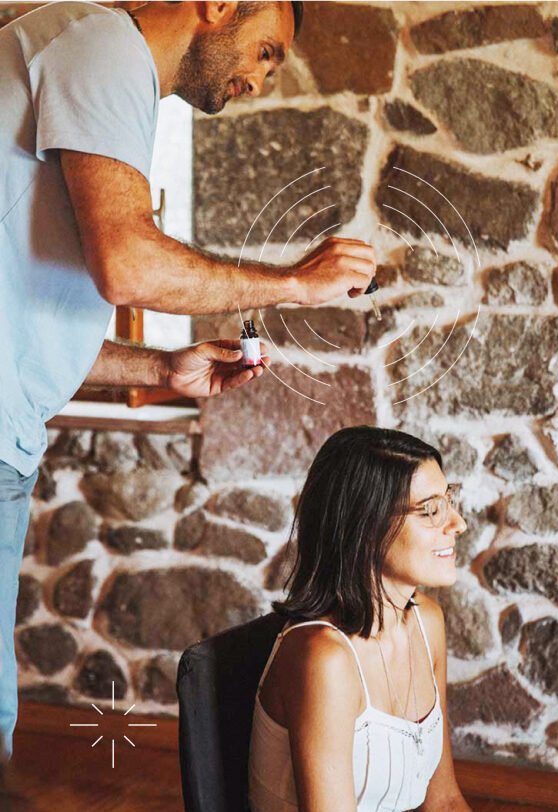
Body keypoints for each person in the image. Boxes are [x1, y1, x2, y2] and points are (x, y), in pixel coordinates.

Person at [0, 1, 377, 762]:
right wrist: (296, 284)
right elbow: (127, 262)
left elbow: (23, 322)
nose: (260, 81)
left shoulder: (80, 53)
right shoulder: (102, 42)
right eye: (266, 51)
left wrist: (159, 368)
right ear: (216, 7)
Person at [248, 426, 472, 811]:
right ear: (366, 527)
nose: (458, 524)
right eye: (431, 510)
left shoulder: (427, 622)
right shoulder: (323, 658)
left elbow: (444, 801)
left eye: (449, 501)